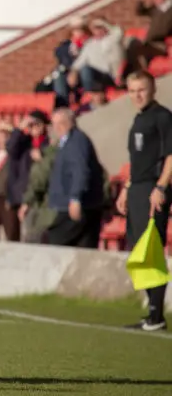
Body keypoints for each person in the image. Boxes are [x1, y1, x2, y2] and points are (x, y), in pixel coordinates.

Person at [116, 71, 171, 331]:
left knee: (151, 249)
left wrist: (161, 186)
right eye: (132, 90)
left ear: (152, 90)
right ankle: (151, 311)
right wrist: (127, 188)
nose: (137, 95)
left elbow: (171, 156)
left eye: (142, 89)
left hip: (153, 189)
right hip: (137, 189)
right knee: (138, 248)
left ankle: (156, 314)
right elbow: (139, 162)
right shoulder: (139, 120)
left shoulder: (162, 117)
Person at [44, 108, 105, 248]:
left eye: (58, 124)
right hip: (74, 204)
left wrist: (75, 197)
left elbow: (80, 170)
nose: (55, 128)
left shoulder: (76, 141)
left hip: (76, 205)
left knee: (55, 241)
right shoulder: (67, 142)